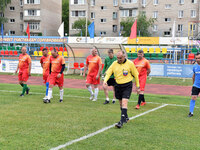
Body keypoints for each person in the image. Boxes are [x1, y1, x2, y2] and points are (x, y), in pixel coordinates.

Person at [103, 51, 140, 128]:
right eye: (118, 58)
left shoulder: (130, 63)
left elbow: (136, 75)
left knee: (124, 102)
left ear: (124, 56)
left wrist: (138, 86)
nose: (119, 59)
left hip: (127, 85)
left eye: (120, 58)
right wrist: (105, 81)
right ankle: (126, 117)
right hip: (118, 85)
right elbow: (108, 73)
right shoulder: (114, 63)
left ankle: (121, 122)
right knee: (120, 104)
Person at [188, 52, 200, 117]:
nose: (198, 60)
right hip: (196, 86)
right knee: (193, 98)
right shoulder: (194, 67)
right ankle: (191, 112)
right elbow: (194, 76)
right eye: (196, 58)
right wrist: (193, 84)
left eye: (199, 58)